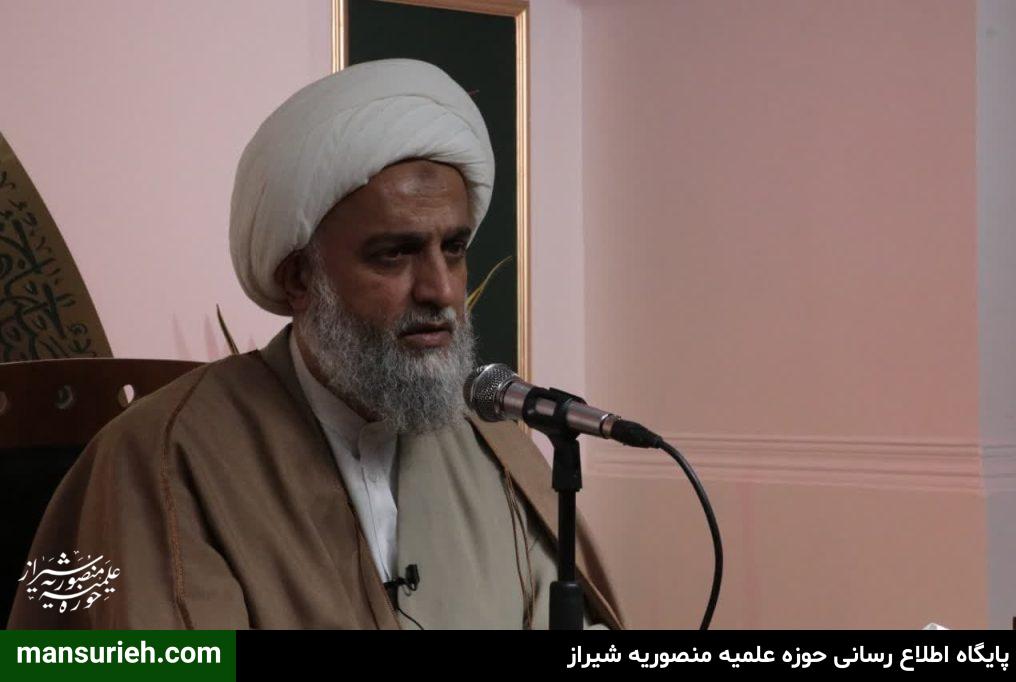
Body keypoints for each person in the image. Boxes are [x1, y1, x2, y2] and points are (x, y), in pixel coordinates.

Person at [8, 59, 623, 630]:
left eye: (454, 249)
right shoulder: (163, 456)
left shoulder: (494, 445)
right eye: (395, 254)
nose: (440, 289)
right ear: (299, 278)